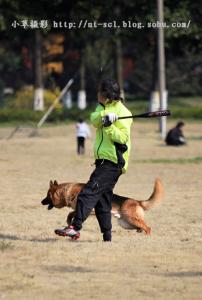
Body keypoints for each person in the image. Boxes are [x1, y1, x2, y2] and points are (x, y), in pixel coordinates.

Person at [55, 78, 133, 241]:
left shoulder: (124, 113)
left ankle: (74, 227)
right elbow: (95, 119)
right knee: (103, 201)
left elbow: (123, 138)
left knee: (87, 193)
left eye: (99, 92)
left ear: (106, 95)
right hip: (103, 161)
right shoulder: (102, 107)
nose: (97, 94)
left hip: (113, 162)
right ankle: (107, 237)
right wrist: (105, 117)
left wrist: (110, 125)